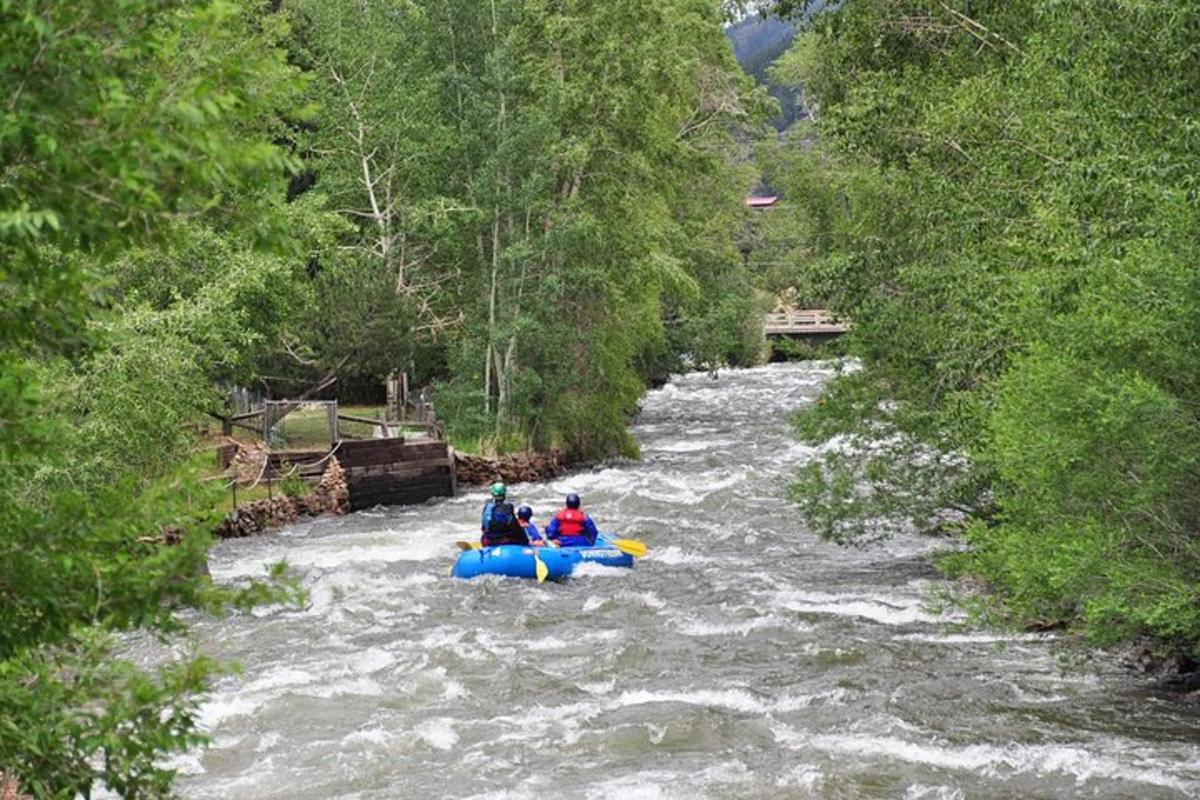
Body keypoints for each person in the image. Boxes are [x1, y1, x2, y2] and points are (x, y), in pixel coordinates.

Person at [481, 482, 528, 547]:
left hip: (486, 540)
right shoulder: (507, 508)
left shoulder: (486, 507)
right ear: (504, 494)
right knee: (523, 538)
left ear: (492, 494)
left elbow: (483, 527)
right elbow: (515, 529)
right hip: (502, 541)